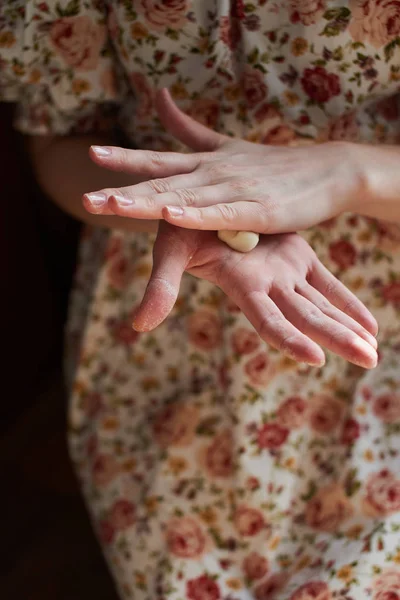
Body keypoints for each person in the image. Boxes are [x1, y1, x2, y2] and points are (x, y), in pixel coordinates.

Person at [2, 1, 400, 599]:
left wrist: (349, 174)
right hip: (167, 297)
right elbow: (60, 141)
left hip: (374, 289)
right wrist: (184, 212)